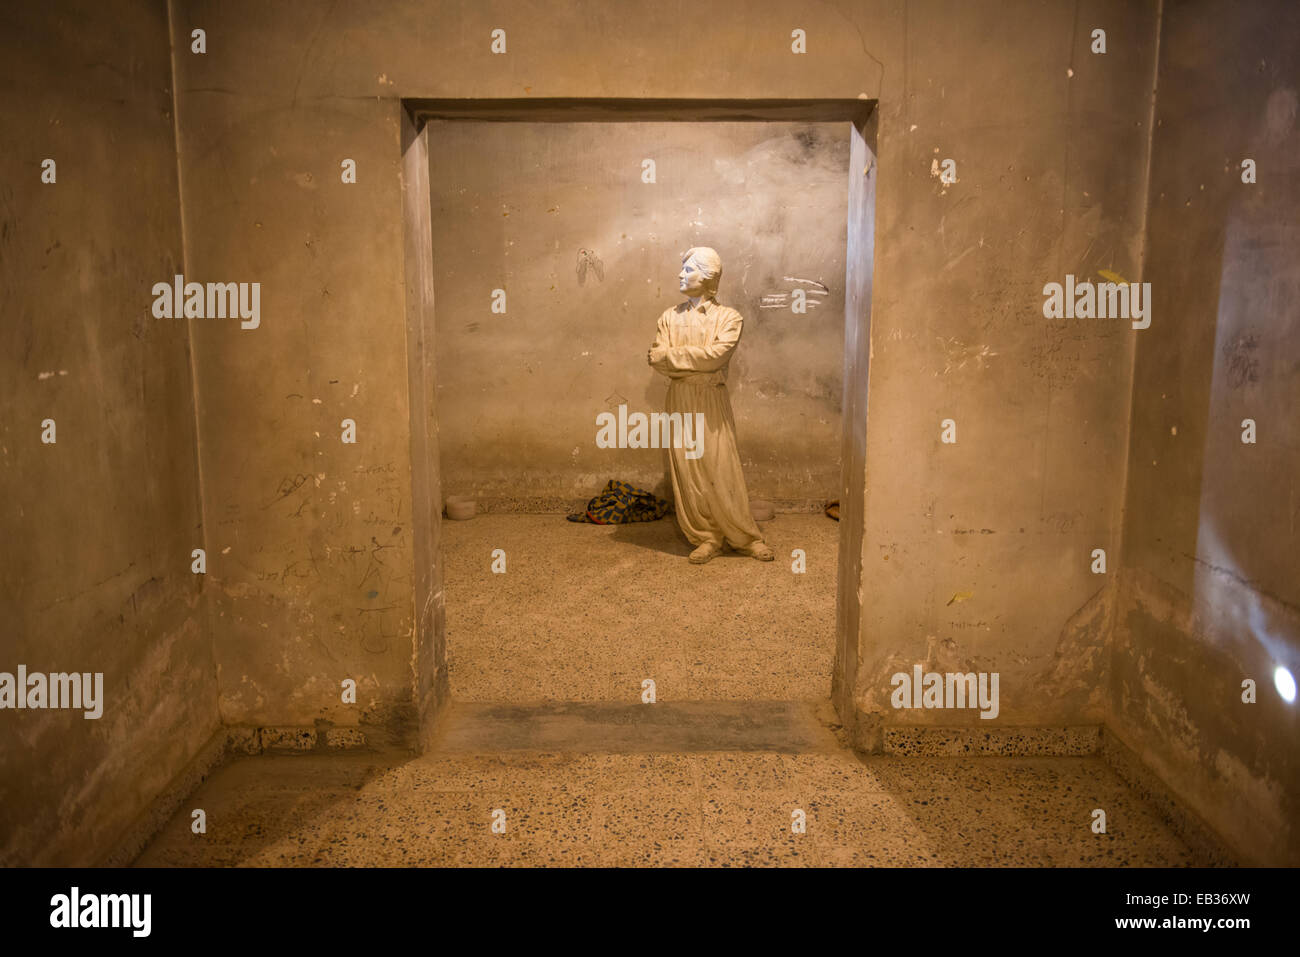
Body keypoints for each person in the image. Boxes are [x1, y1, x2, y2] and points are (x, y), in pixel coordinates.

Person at [646, 247, 775, 564]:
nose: (680, 274)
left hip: (710, 398)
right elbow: (655, 358)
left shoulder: (729, 318)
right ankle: (706, 536)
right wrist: (694, 362)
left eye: (688, 269)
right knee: (689, 471)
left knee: (721, 465)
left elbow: (717, 356)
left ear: (707, 277)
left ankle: (745, 537)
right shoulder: (668, 317)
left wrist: (676, 359)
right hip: (679, 397)